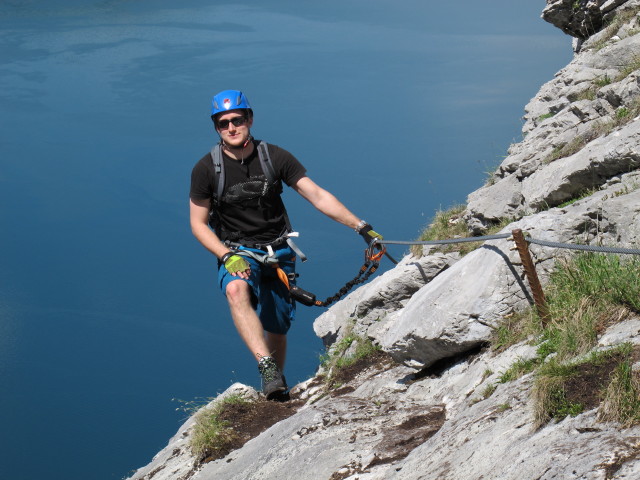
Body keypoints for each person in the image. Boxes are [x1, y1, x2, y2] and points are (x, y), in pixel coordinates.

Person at [189, 89, 382, 399]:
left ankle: (275, 392)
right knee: (235, 290)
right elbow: (198, 224)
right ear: (216, 128)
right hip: (237, 251)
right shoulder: (206, 170)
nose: (231, 128)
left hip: (279, 251)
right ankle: (267, 368)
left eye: (237, 120)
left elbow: (316, 195)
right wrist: (226, 256)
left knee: (277, 329)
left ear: (250, 119)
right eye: (222, 123)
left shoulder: (274, 157)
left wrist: (362, 227)